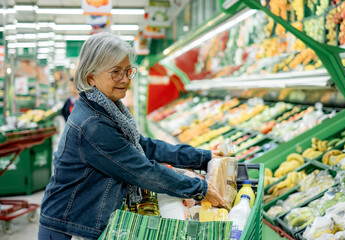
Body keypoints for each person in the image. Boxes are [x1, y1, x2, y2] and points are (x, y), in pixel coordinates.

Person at [39, 32, 226, 240]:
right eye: (116, 72)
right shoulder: (93, 124)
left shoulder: (107, 109)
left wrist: (203, 157)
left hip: (80, 221)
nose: (125, 79)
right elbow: (142, 172)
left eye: (128, 71)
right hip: (69, 228)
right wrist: (198, 188)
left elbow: (144, 145)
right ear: (90, 76)